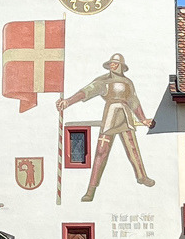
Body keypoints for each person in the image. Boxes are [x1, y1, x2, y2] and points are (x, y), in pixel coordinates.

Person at [56, 54, 156, 198]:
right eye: (111, 64)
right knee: (101, 152)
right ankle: (91, 190)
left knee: (132, 148)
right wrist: (68, 101)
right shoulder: (103, 81)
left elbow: (133, 101)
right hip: (110, 116)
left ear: (121, 65)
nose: (112, 66)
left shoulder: (128, 82)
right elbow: (86, 92)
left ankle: (141, 176)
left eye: (115, 64)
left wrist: (143, 119)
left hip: (125, 117)